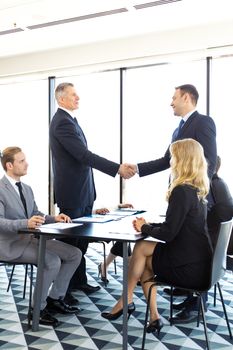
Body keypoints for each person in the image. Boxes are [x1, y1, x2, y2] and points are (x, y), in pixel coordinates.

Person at [101, 138, 213, 333]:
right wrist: (149, 225)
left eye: (173, 157)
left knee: (142, 254)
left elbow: (169, 234)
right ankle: (151, 315)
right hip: (201, 264)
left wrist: (145, 228)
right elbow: (177, 225)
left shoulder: (181, 191)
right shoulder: (196, 190)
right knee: (142, 253)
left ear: (182, 160)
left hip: (189, 270)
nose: (171, 162)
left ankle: (127, 300)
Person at [130, 84, 217, 320]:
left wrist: (197, 190)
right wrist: (137, 169)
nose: (171, 102)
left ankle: (197, 303)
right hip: (184, 193)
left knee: (191, 244)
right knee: (183, 242)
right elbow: (166, 160)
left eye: (174, 97)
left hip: (195, 195)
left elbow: (207, 160)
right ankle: (186, 295)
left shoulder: (203, 122)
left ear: (186, 97)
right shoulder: (178, 129)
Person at [49, 82, 135, 302]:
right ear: (61, 99)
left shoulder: (70, 121)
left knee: (82, 242)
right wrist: (117, 168)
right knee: (71, 243)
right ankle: (62, 292)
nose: (78, 98)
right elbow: (83, 155)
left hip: (83, 192)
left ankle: (78, 281)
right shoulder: (61, 123)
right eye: (73, 95)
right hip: (72, 194)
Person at [0, 147, 82, 327]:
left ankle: (54, 299)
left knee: (75, 254)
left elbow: (35, 213)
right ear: (9, 165)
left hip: (32, 240)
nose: (26, 163)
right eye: (21, 161)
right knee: (52, 261)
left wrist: (54, 218)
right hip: (11, 245)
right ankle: (37, 309)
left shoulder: (27, 189)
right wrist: (25, 223)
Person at [96, 203, 134, 284]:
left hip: (106, 221)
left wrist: (119, 206)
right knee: (123, 238)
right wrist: (96, 211)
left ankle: (104, 265)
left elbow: (108, 203)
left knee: (124, 237)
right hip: (96, 226)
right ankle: (132, 266)